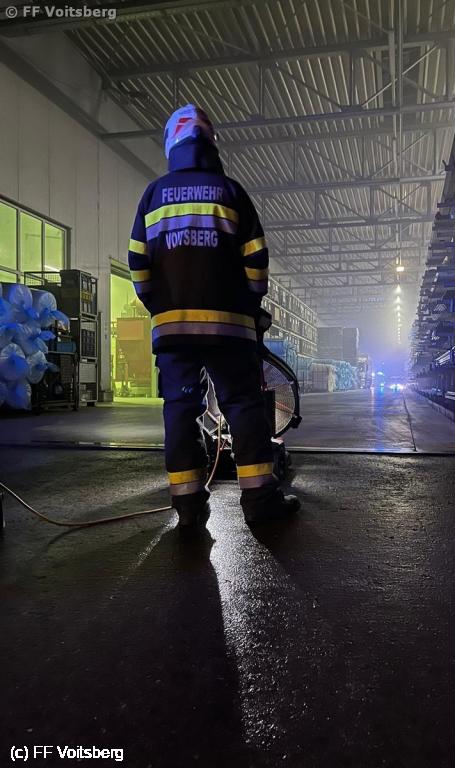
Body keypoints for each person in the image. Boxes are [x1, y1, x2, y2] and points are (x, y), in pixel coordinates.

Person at [128, 104, 300, 532]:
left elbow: (138, 265)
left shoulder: (153, 194)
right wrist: (250, 304)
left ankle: (188, 507)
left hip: (173, 330)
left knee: (180, 409)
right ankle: (260, 501)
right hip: (230, 328)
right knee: (242, 405)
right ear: (210, 142)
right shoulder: (231, 192)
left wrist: (161, 309)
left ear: (171, 144)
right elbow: (256, 260)